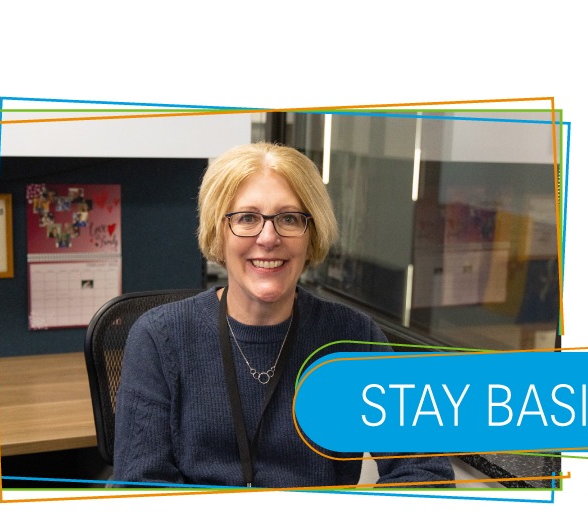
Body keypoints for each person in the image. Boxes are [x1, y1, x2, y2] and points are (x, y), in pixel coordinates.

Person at [113, 142, 455, 488]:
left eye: (289, 218)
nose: (268, 237)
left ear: (312, 233)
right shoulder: (161, 338)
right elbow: (140, 487)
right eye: (247, 218)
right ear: (219, 232)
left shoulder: (354, 338)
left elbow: (425, 471)